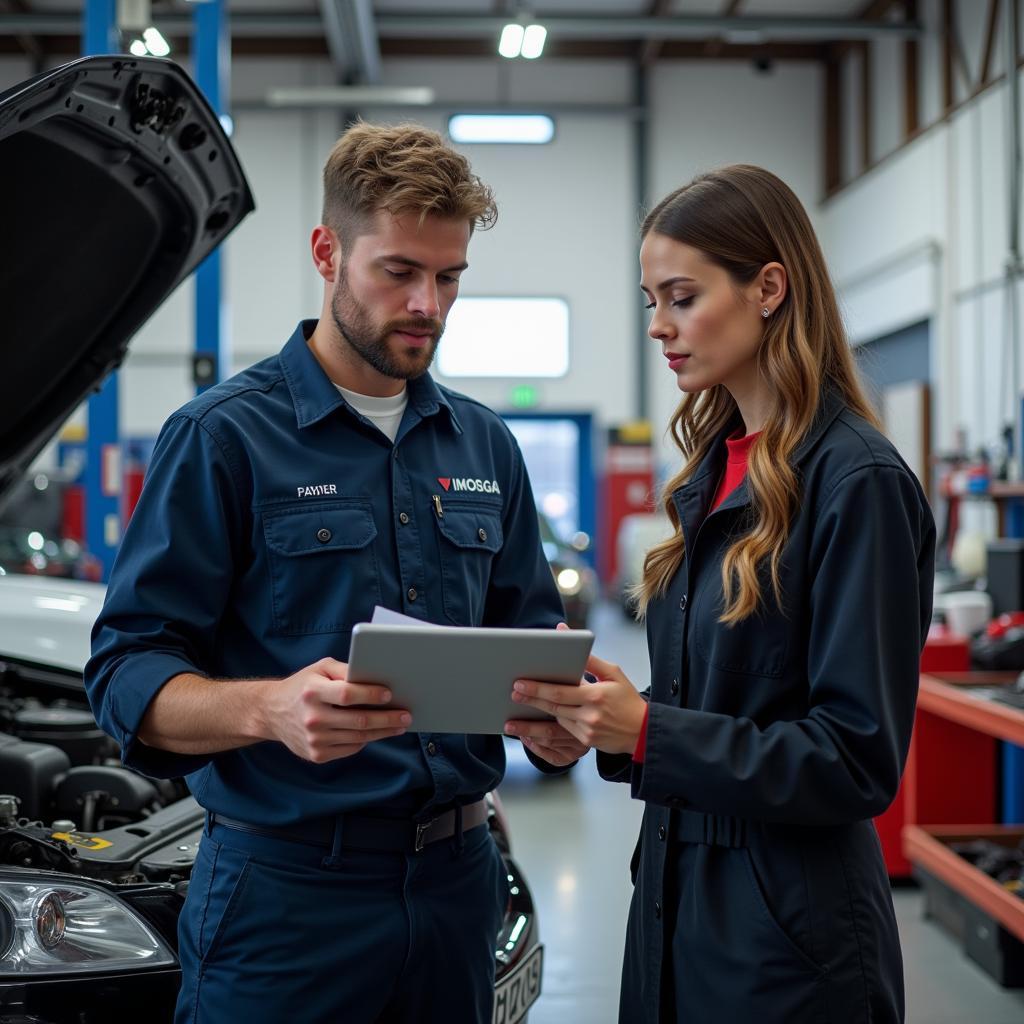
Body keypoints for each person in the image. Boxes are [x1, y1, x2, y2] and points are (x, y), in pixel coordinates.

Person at [85, 121, 587, 1024]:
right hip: (286, 904)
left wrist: (555, 716)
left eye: (449, 276)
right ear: (327, 251)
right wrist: (268, 709)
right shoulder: (222, 439)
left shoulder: (484, 444)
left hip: (457, 884)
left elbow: (531, 634)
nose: (428, 302)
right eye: (398, 271)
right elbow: (126, 675)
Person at [506, 165, 936, 1022]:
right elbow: (732, 700)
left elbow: (854, 759)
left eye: (682, 297)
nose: (660, 327)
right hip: (678, 909)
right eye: (649, 301)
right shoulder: (713, 471)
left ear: (769, 287)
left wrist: (653, 730)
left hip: (789, 944)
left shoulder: (857, 483)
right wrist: (612, 724)